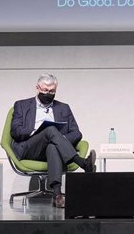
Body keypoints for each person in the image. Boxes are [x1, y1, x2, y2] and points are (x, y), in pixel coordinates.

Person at [10, 72, 96, 209]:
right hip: (30, 147)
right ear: (37, 88)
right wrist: (37, 131)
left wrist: (59, 139)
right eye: (45, 90)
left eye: (52, 91)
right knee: (50, 129)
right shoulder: (21, 105)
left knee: (53, 146)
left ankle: (57, 195)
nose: (48, 93)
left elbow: (76, 133)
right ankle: (82, 163)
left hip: (54, 147)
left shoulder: (63, 108)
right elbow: (15, 131)